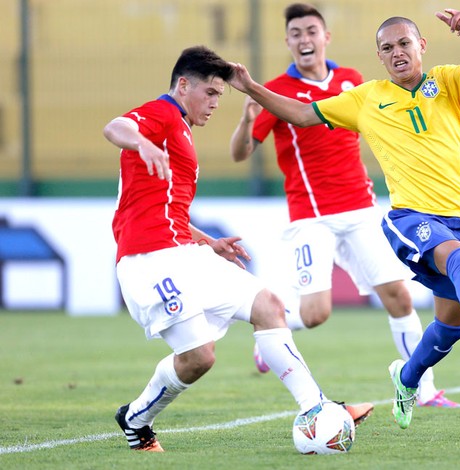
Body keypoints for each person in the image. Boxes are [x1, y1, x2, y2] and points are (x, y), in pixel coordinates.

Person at [226, 6, 460, 431]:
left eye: (404, 44)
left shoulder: (438, 81)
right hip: (374, 214)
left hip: (441, 210)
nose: (397, 53)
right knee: (451, 264)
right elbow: (296, 117)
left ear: (421, 46)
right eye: (387, 48)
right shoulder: (359, 95)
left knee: (446, 323)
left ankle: (410, 382)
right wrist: (250, 88)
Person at [103, 45, 372, 452]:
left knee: (269, 306)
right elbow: (114, 127)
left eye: (219, 96)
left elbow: (162, 207)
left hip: (183, 250)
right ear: (183, 85)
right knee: (199, 358)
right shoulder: (159, 115)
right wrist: (141, 142)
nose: (215, 104)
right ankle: (137, 418)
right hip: (148, 261)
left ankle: (315, 408)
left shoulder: (179, 127)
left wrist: (208, 241)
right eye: (210, 93)